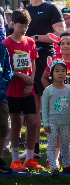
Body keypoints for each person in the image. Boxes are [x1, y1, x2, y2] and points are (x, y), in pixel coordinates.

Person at [25, 0, 65, 158]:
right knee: (33, 108)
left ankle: (54, 152)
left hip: (46, 60)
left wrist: (36, 38)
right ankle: (34, 150)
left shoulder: (51, 8)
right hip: (27, 61)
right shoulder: (24, 11)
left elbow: (61, 33)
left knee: (51, 106)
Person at [3, 9, 42, 171]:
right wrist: (20, 76)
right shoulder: (6, 44)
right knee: (17, 124)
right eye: (20, 26)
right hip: (13, 90)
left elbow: (33, 65)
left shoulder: (30, 42)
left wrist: (30, 81)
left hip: (28, 89)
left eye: (26, 26)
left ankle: (30, 158)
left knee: (32, 123)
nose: (23, 29)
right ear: (12, 25)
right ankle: (15, 160)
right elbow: (7, 69)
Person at [41, 32, 70, 171]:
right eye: (62, 43)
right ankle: (54, 160)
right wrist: (51, 93)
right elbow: (44, 78)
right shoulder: (55, 61)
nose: (65, 46)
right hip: (57, 103)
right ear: (59, 46)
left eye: (68, 43)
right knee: (58, 130)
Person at [42, 60, 70, 176]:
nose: (60, 73)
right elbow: (44, 108)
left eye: (63, 71)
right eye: (57, 71)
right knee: (51, 146)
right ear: (51, 74)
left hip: (65, 124)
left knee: (65, 145)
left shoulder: (69, 89)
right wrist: (45, 123)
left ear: (67, 74)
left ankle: (66, 166)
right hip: (52, 123)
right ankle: (53, 167)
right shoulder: (48, 90)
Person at [0, 41, 14, 173]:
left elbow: (8, 71)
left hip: (1, 96)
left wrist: (3, 84)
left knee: (4, 126)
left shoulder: (1, 47)